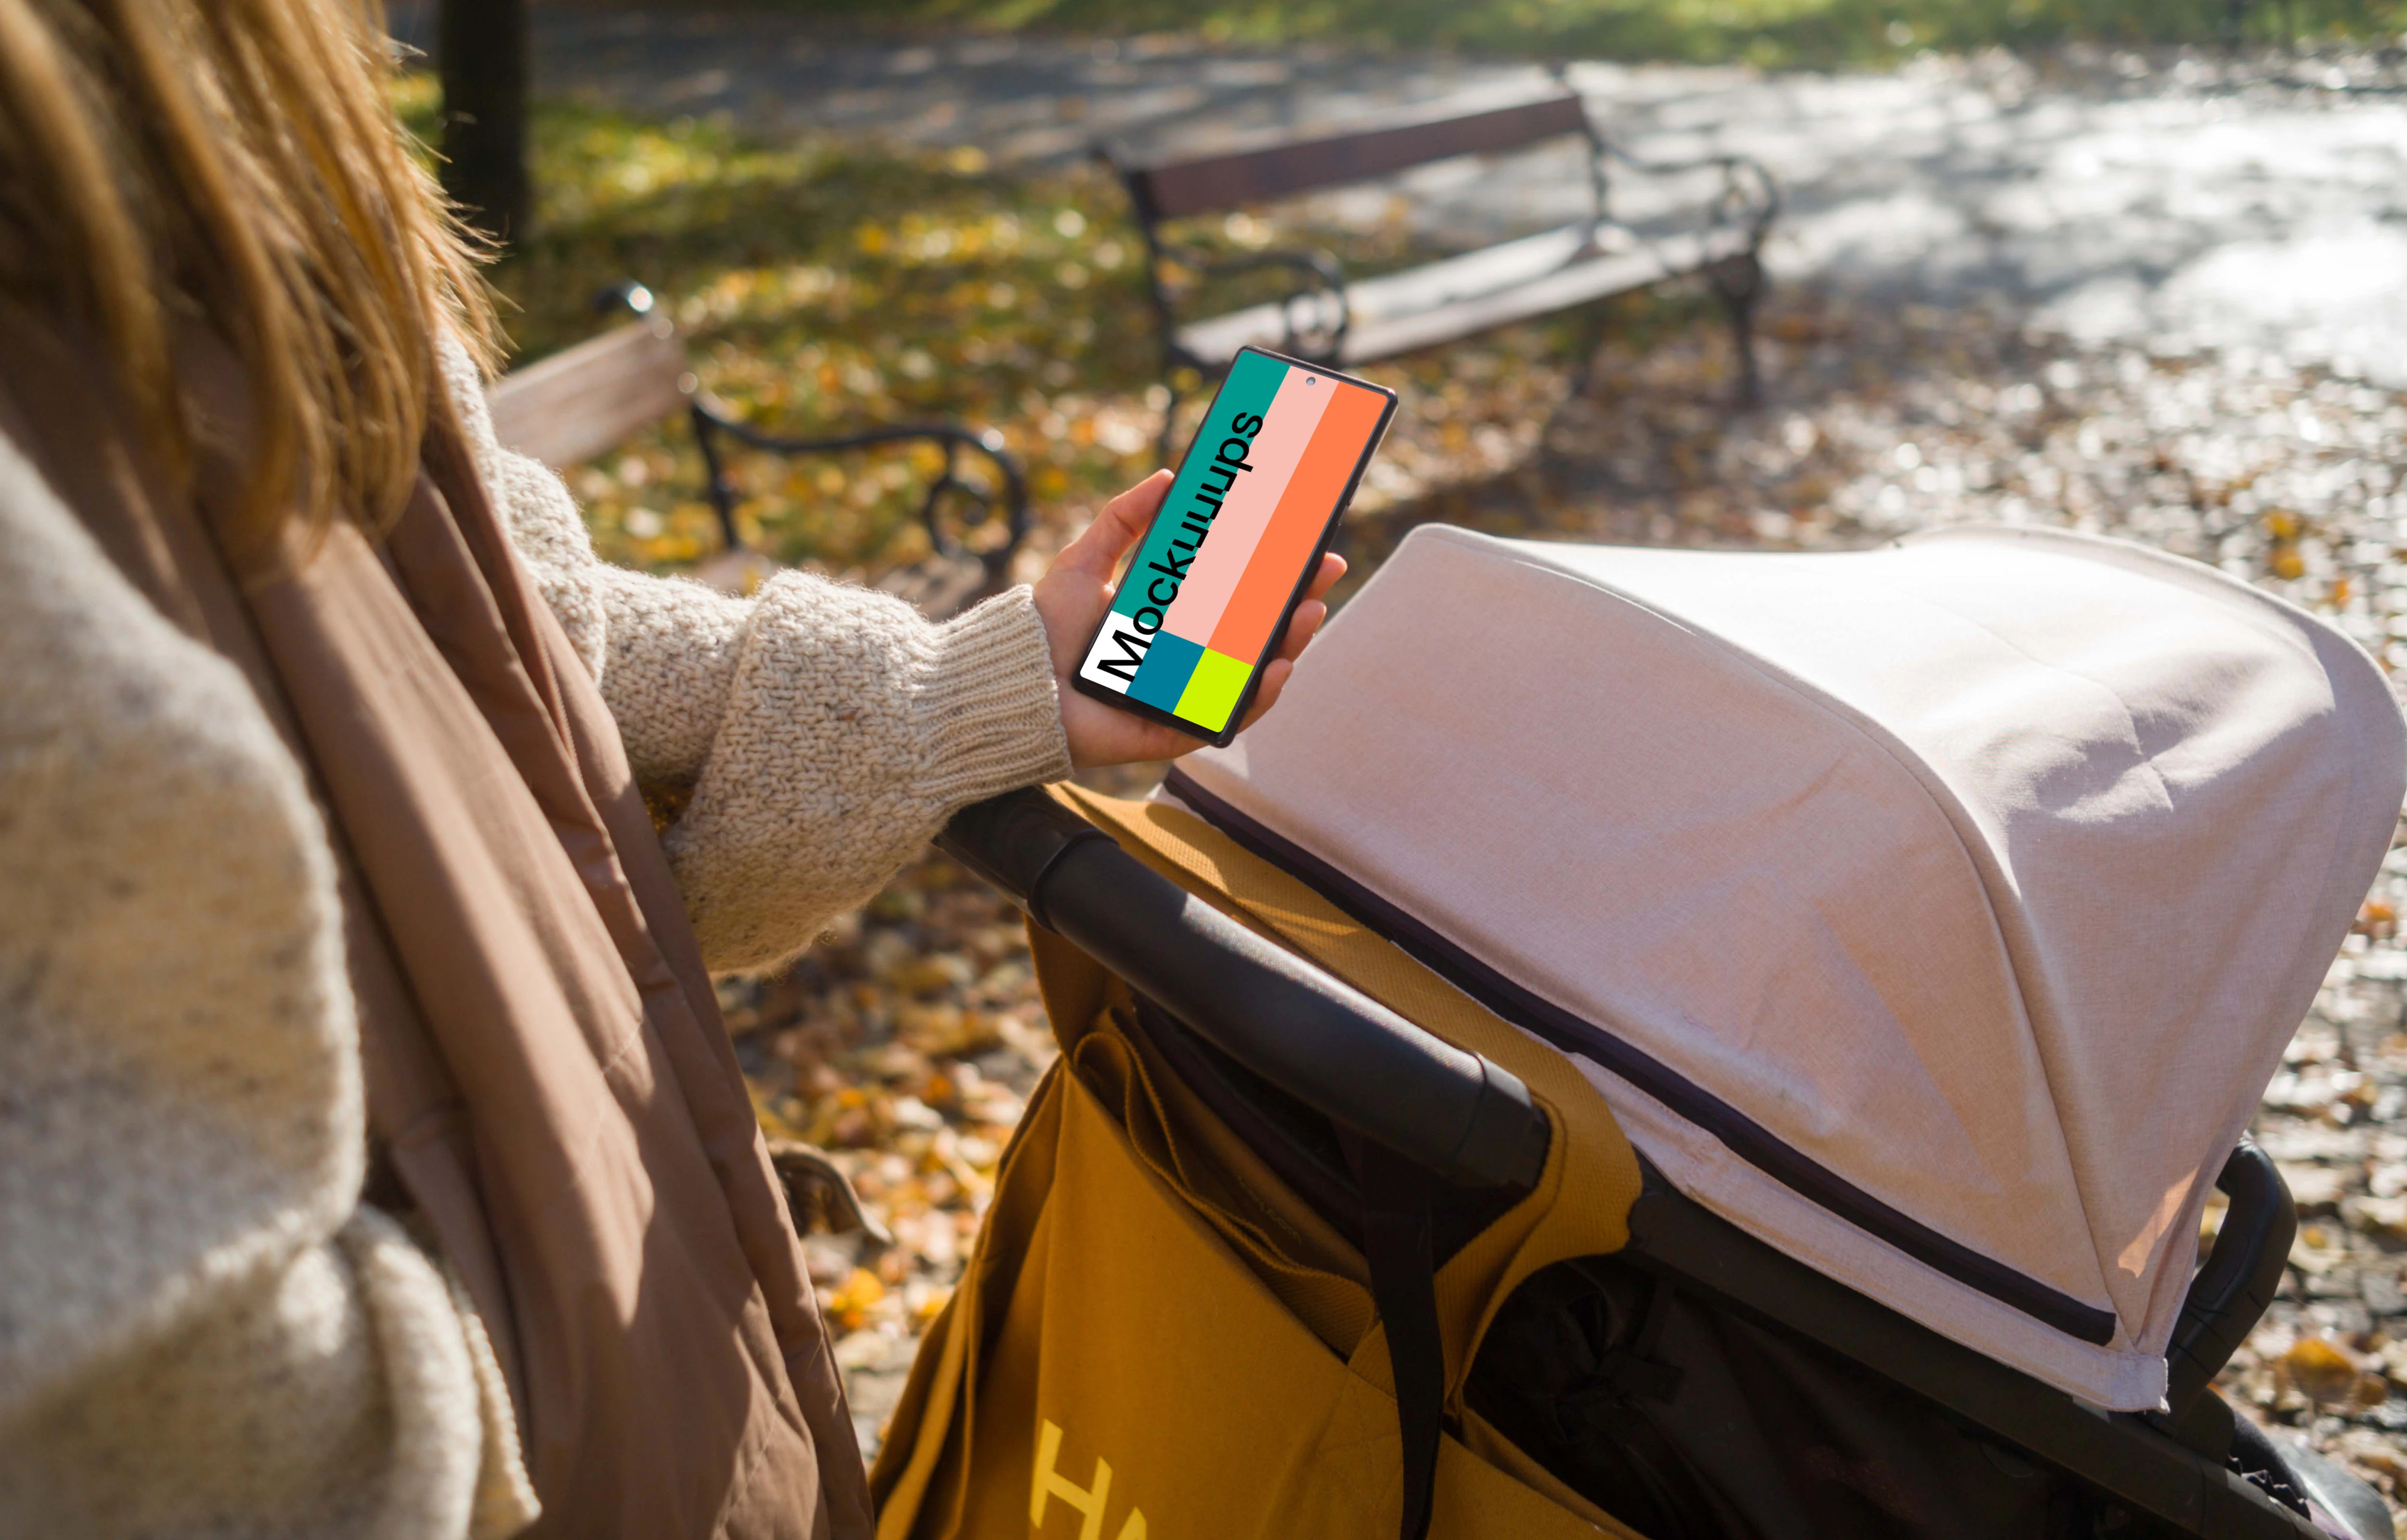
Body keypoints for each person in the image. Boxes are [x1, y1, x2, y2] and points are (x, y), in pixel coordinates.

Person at [0, 1, 1340, 1536]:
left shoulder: (223, 120)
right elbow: (126, 1381)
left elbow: (507, 621)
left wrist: (983, 685)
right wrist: (520, 1349)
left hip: (628, 1355)